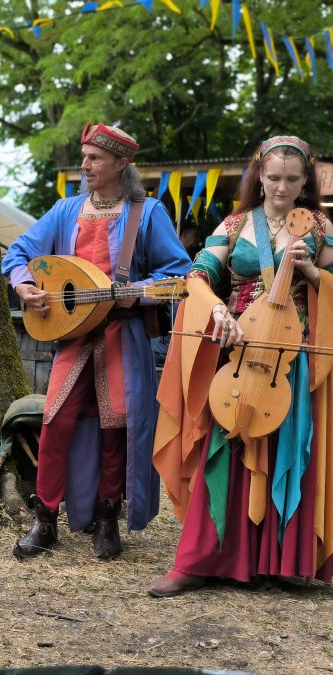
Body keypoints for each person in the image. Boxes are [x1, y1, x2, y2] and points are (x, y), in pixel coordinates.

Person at [149, 135, 333, 596]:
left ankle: (278, 562)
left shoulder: (319, 227)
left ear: (306, 181)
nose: (282, 188)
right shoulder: (234, 224)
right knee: (224, 446)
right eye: (274, 178)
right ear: (259, 176)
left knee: (288, 449)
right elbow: (197, 275)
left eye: (293, 179)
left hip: (292, 355)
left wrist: (312, 272)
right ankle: (200, 560)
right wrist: (216, 309)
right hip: (237, 353)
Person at [2, 123, 192, 559]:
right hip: (71, 335)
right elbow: (18, 252)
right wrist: (24, 284)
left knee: (115, 428)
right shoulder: (66, 210)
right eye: (84, 156)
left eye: (95, 158)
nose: (84, 165)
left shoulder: (146, 212)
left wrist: (136, 291)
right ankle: (45, 519)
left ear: (121, 163)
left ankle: (108, 519)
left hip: (122, 335)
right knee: (55, 422)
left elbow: (177, 273)